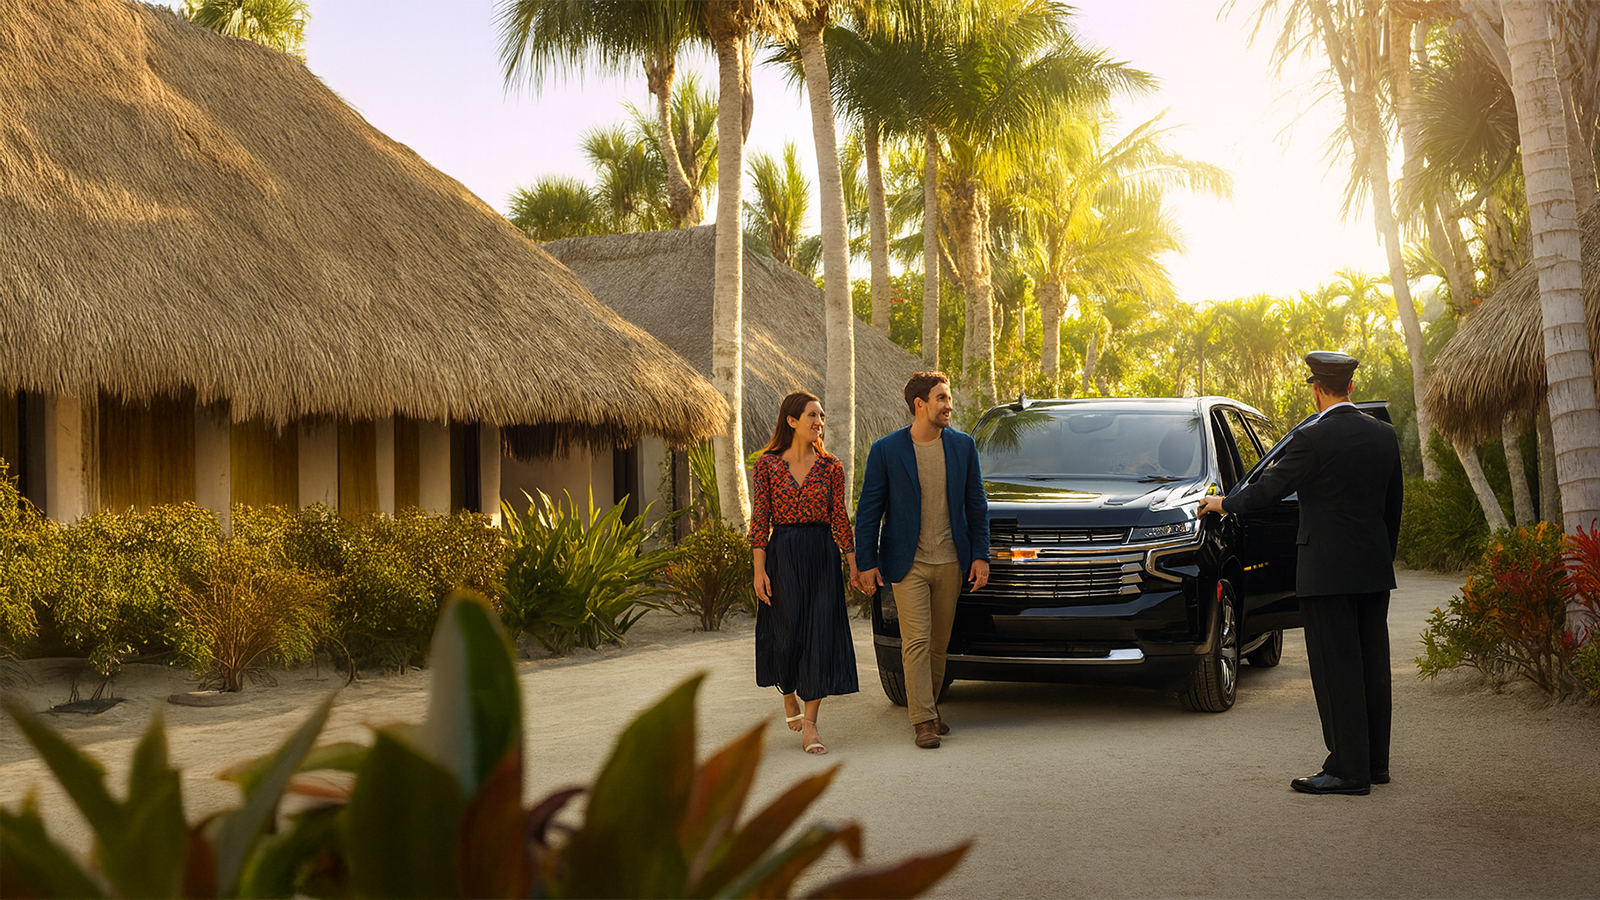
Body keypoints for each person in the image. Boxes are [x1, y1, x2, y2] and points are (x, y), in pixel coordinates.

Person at [1198, 350, 1403, 795]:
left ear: (1317, 390)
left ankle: (1348, 771)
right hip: (1372, 569)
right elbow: (1393, 507)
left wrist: (1222, 503)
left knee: (1336, 669)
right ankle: (1375, 764)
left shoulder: (1312, 439)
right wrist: (1381, 557)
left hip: (1326, 571)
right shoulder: (1384, 435)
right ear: (1350, 387)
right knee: (1372, 665)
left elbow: (1268, 490)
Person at [852, 372, 989, 749]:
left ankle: (930, 709)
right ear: (920, 404)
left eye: (948, 398)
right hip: (906, 562)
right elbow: (869, 511)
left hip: (951, 561)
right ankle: (923, 720)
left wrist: (980, 555)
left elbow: (977, 505)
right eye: (942, 398)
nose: (949, 405)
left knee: (938, 645)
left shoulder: (963, 446)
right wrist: (866, 562)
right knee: (915, 641)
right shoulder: (886, 450)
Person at [749, 390, 859, 754]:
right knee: (786, 634)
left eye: (822, 416)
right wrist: (759, 571)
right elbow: (760, 520)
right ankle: (788, 693)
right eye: (813, 415)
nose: (819, 422)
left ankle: (811, 725)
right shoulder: (767, 464)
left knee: (819, 636)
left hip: (821, 556)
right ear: (792, 420)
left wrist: (853, 565)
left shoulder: (831, 466)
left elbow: (839, 519)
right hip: (782, 553)